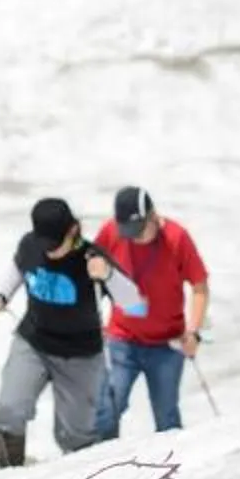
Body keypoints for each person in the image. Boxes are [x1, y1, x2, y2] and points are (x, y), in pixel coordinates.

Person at [0, 196, 116, 465]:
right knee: (9, 411)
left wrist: (107, 275)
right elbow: (19, 268)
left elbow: (133, 301)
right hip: (34, 341)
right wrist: (2, 295)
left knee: (75, 435)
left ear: (72, 231)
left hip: (80, 354)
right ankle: (8, 476)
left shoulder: (91, 258)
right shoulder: (30, 245)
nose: (48, 251)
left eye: (54, 245)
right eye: (44, 244)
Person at [93, 184, 210, 437]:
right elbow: (94, 272)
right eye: (128, 232)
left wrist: (194, 332)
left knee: (166, 417)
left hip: (168, 345)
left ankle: (174, 470)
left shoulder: (177, 238)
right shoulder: (111, 232)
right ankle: (103, 468)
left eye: (139, 231)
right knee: (108, 410)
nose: (134, 238)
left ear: (153, 216)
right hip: (122, 338)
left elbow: (199, 288)